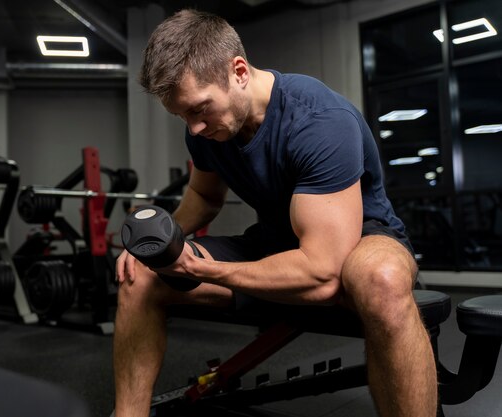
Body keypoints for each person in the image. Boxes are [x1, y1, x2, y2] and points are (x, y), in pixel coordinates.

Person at [114, 9, 436, 417]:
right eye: (182, 116)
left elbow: (321, 274)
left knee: (380, 279)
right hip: (274, 241)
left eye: (199, 109)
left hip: (359, 239)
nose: (193, 128)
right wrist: (161, 243)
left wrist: (205, 270)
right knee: (139, 273)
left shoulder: (319, 121)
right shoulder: (208, 129)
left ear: (239, 71)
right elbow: (204, 194)